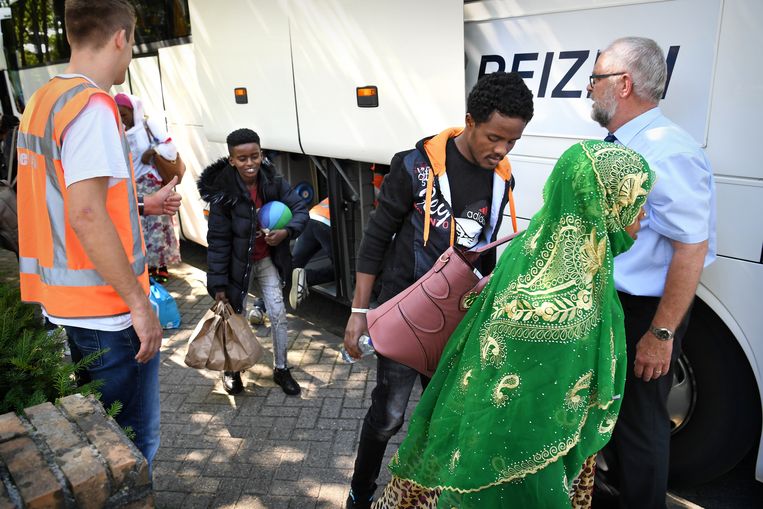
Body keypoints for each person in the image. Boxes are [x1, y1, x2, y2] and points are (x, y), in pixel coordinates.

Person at [371, 140, 654, 508]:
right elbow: (532, 415)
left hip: (490, 438)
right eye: (634, 201)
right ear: (601, 203)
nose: (643, 214)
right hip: (518, 464)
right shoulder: (560, 297)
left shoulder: (538, 249)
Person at [343, 71, 535, 508]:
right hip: (406, 314)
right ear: (469, 121)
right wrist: (358, 313)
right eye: (494, 137)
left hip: (457, 320)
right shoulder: (415, 166)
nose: (501, 150)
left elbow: (485, 251)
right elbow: (375, 240)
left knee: (441, 418)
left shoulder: (501, 177)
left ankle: (424, 496)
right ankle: (360, 491)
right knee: (389, 417)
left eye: (513, 141)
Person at [15, 0, 181, 467]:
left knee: (107, 449)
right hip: (108, 313)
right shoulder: (92, 107)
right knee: (130, 453)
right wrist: (140, 306)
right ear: (120, 38)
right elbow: (86, 214)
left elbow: (67, 197)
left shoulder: (45, 100)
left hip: (72, 304)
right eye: (132, 43)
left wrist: (141, 204)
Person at [587, 37, 716, 508]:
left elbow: (692, 248)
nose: (588, 89)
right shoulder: (626, 144)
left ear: (623, 84)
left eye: (596, 78)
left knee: (641, 425)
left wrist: (661, 333)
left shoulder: (666, 151)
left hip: (645, 312)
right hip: (619, 304)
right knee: (614, 419)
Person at [198, 128, 308, 396]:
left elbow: (300, 209)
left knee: (279, 314)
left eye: (255, 156)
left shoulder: (273, 180)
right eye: (242, 158)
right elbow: (218, 240)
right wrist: (218, 284)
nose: (250, 164)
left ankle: (281, 369)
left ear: (262, 155)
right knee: (237, 319)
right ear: (232, 159)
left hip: (267, 260)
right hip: (237, 267)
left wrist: (286, 232)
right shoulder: (223, 193)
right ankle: (232, 370)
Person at [114, 92, 181, 283]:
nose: (122, 119)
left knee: (158, 226)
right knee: (140, 228)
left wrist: (152, 152)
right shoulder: (118, 131)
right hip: (132, 184)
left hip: (152, 183)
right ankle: (145, 267)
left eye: (124, 114)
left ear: (134, 111)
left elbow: (170, 146)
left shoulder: (148, 125)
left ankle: (161, 267)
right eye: (118, 115)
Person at [289, 197, 333, 308]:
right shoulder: (377, 184)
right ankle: (306, 277)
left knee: (291, 265)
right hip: (328, 223)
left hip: (311, 218)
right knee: (344, 270)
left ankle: (259, 307)